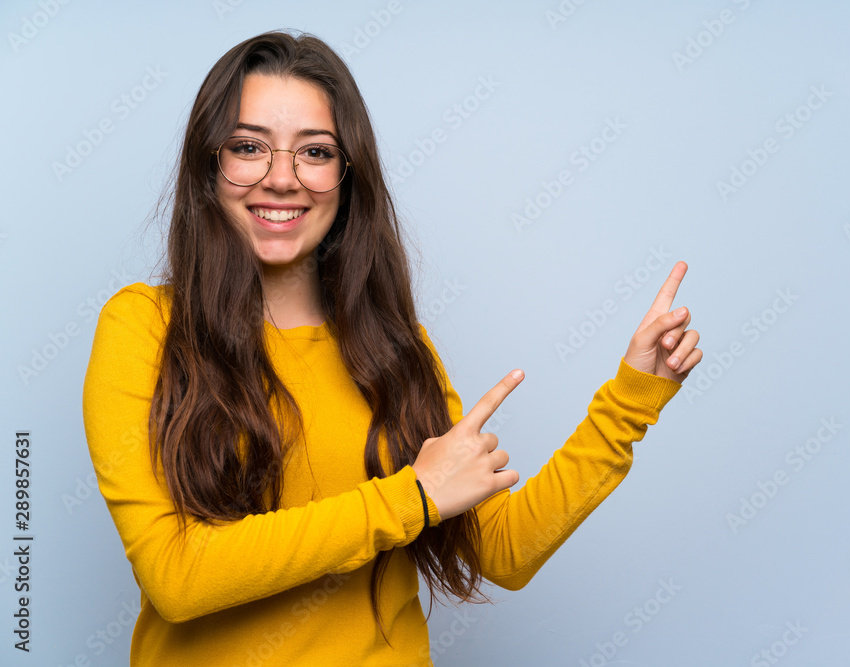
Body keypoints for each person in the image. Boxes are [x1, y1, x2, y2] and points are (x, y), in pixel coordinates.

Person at [81, 29, 703, 666]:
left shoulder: (394, 345)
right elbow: (178, 577)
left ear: (348, 176)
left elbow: (503, 553)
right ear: (208, 162)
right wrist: (412, 498)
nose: (282, 179)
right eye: (248, 147)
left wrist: (633, 395)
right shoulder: (145, 327)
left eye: (315, 153)